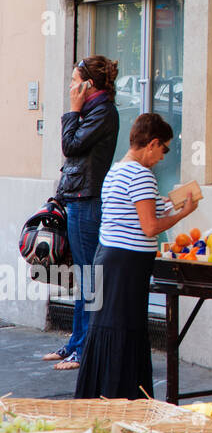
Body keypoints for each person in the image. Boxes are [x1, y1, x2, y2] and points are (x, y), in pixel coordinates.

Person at [76, 113, 195, 401]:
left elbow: (128, 214)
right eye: (164, 149)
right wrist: (182, 214)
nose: (162, 157)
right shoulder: (142, 175)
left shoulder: (116, 170)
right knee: (125, 331)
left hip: (107, 258)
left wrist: (165, 204)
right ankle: (123, 399)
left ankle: (99, 397)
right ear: (152, 144)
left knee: (105, 329)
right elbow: (150, 226)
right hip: (126, 266)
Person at [45, 56, 120, 371]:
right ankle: (76, 343)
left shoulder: (101, 112)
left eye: (76, 81)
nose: (71, 87)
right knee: (81, 275)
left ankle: (85, 349)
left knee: (90, 276)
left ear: (90, 85)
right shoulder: (94, 110)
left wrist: (73, 110)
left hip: (88, 200)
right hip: (76, 197)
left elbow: (70, 145)